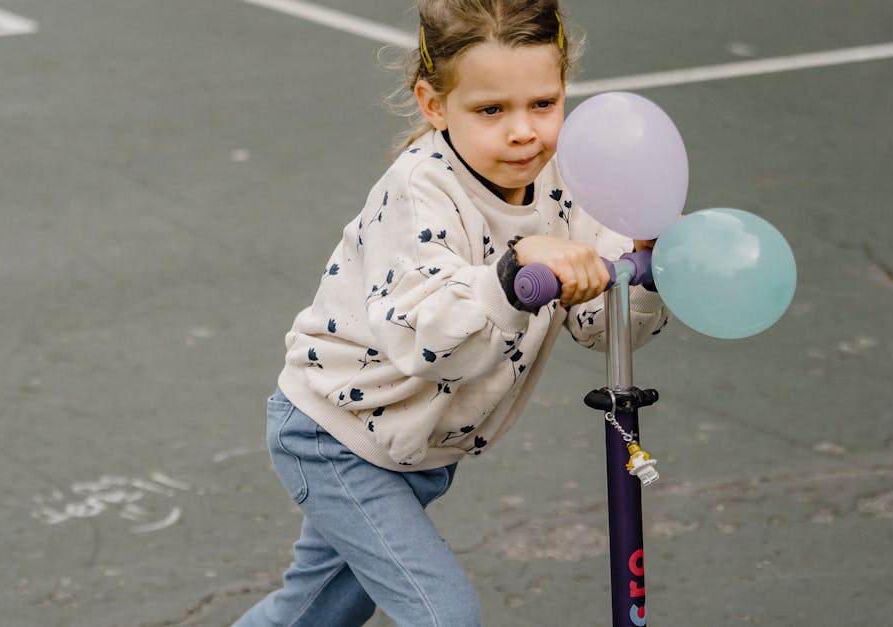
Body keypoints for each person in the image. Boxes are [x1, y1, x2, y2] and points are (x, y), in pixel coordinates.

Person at [235, 1, 668, 625]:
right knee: (446, 618)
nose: (523, 131)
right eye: (491, 110)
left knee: (312, 615)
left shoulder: (568, 178)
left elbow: (603, 326)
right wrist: (513, 276)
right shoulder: (419, 190)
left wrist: (643, 266)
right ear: (433, 104)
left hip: (415, 446)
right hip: (335, 434)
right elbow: (431, 342)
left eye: (543, 104)